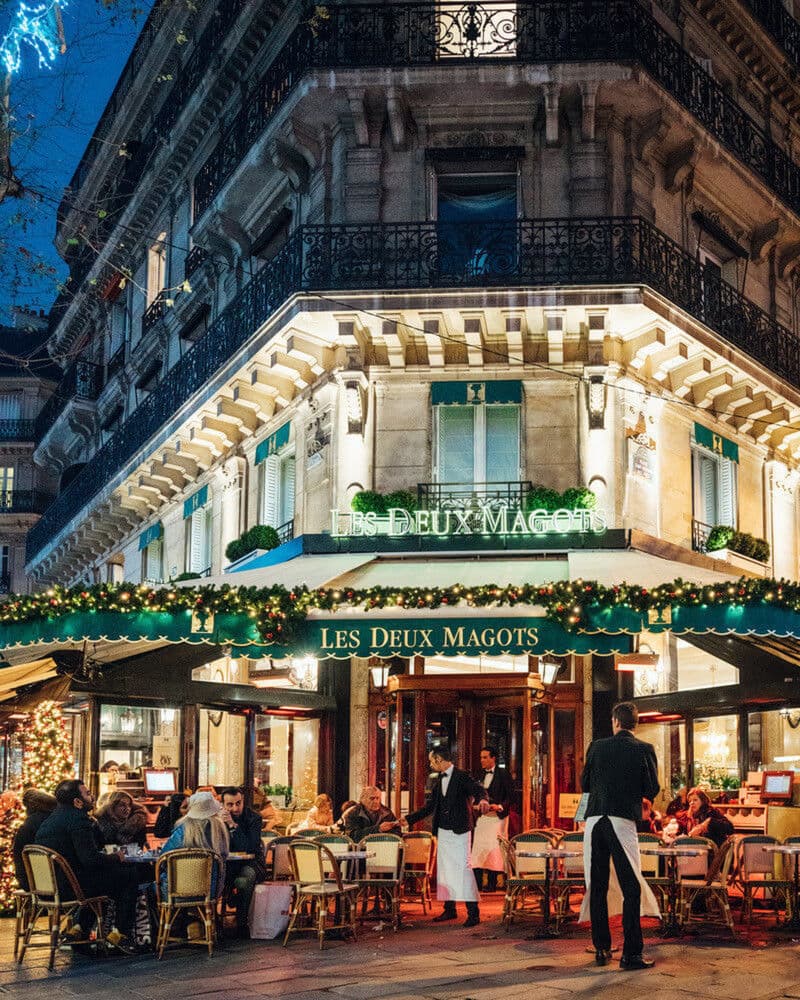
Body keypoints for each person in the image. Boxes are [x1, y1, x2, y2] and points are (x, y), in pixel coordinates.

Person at [579, 701, 661, 971]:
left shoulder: (596, 746)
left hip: (594, 820)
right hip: (621, 819)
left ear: (615, 721)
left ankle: (602, 948)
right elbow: (651, 787)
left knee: (598, 886)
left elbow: (585, 783)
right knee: (631, 887)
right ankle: (631, 954)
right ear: (635, 724)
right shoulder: (643, 749)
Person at [34, 779, 140, 949]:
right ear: (77, 801)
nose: (92, 797)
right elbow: (90, 859)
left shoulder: (50, 821)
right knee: (129, 874)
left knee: (103, 880)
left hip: (47, 888)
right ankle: (121, 934)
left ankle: (79, 928)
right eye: (88, 794)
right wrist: (117, 857)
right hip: (70, 887)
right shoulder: (79, 820)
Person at [405, 744, 489, 928]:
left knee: (464, 870)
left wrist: (483, 799)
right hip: (443, 831)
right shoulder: (437, 781)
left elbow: (478, 790)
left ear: (439, 760)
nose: (430, 764)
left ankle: (473, 913)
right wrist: (407, 819)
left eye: (431, 761)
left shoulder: (461, 776)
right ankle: (449, 909)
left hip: (460, 830)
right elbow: (429, 808)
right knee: (445, 870)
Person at [159, 790, 229, 898]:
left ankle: (170, 915)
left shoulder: (182, 832)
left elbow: (162, 859)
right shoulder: (220, 831)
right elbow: (224, 859)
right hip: (210, 893)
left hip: (175, 893)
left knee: (149, 887)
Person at [220, 786, 267, 938]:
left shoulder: (254, 818)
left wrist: (233, 826)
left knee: (245, 879)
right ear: (223, 805)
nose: (235, 808)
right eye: (230, 804)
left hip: (251, 863)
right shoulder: (218, 820)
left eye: (238, 803)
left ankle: (241, 923)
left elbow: (250, 848)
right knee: (209, 875)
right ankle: (209, 921)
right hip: (228, 864)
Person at [471, 745, 513, 892]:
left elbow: (510, 796)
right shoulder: (478, 775)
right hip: (482, 818)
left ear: (493, 758)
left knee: (494, 848)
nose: (482, 760)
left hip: (498, 818)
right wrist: (475, 805)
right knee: (478, 848)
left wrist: (499, 806)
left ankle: (492, 883)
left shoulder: (503, 774)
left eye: (485, 757)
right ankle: (476, 883)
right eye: (481, 757)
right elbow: (475, 795)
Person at [13, 788, 56, 891]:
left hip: (30, 881)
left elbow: (18, 854)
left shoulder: (27, 825)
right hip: (53, 882)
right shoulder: (54, 820)